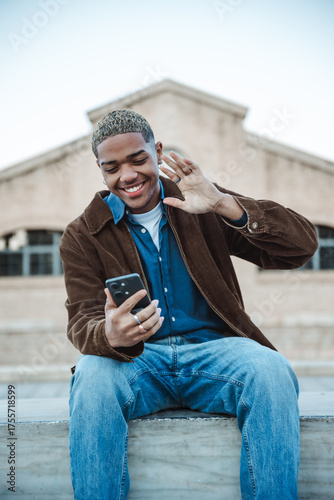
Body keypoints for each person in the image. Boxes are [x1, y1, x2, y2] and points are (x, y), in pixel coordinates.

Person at [59, 109, 318, 499]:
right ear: (100, 170)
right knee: (92, 375)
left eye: (138, 159)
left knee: (271, 370)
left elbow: (301, 246)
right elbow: (82, 319)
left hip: (216, 354)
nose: (127, 176)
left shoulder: (202, 201)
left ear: (157, 151)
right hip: (138, 363)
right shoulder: (82, 234)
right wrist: (108, 333)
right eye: (112, 167)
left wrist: (226, 205)